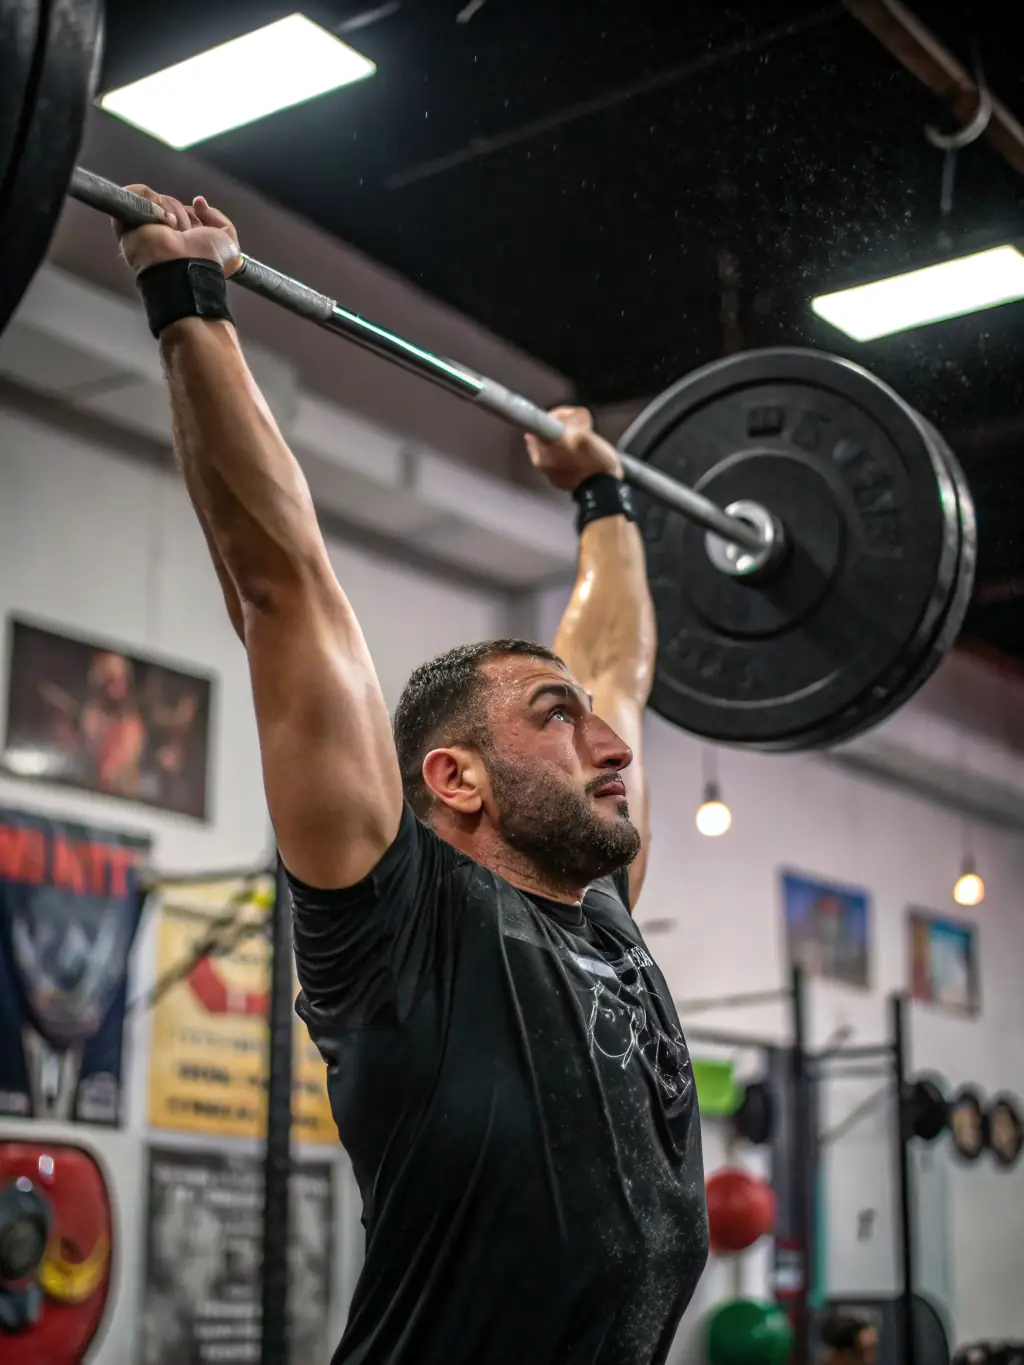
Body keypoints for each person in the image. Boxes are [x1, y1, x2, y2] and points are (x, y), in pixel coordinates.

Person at [113, 185, 708, 1365]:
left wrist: (602, 495)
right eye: (555, 722)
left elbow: (616, 669)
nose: (613, 747)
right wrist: (188, 296)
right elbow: (285, 591)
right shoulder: (401, 933)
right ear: (457, 779)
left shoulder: (602, 916)